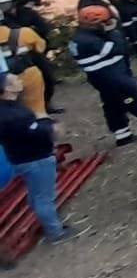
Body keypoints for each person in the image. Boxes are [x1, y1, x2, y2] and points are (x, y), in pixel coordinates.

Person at [0, 71, 78, 243]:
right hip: (36, 158)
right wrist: (52, 130)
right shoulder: (14, 115)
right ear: (7, 89)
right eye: (15, 80)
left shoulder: (8, 109)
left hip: (21, 158)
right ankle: (55, 233)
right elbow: (33, 132)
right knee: (44, 198)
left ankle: (49, 225)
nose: (20, 81)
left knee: (36, 196)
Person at [70, 5, 137, 146]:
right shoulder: (90, 41)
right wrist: (113, 32)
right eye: (105, 22)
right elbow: (115, 48)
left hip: (101, 78)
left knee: (112, 104)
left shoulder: (78, 38)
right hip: (114, 76)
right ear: (96, 23)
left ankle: (122, 133)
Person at [0, 0, 50, 117]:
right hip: (23, 67)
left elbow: (44, 29)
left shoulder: (27, 14)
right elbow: (40, 43)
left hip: (28, 61)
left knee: (48, 79)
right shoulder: (23, 30)